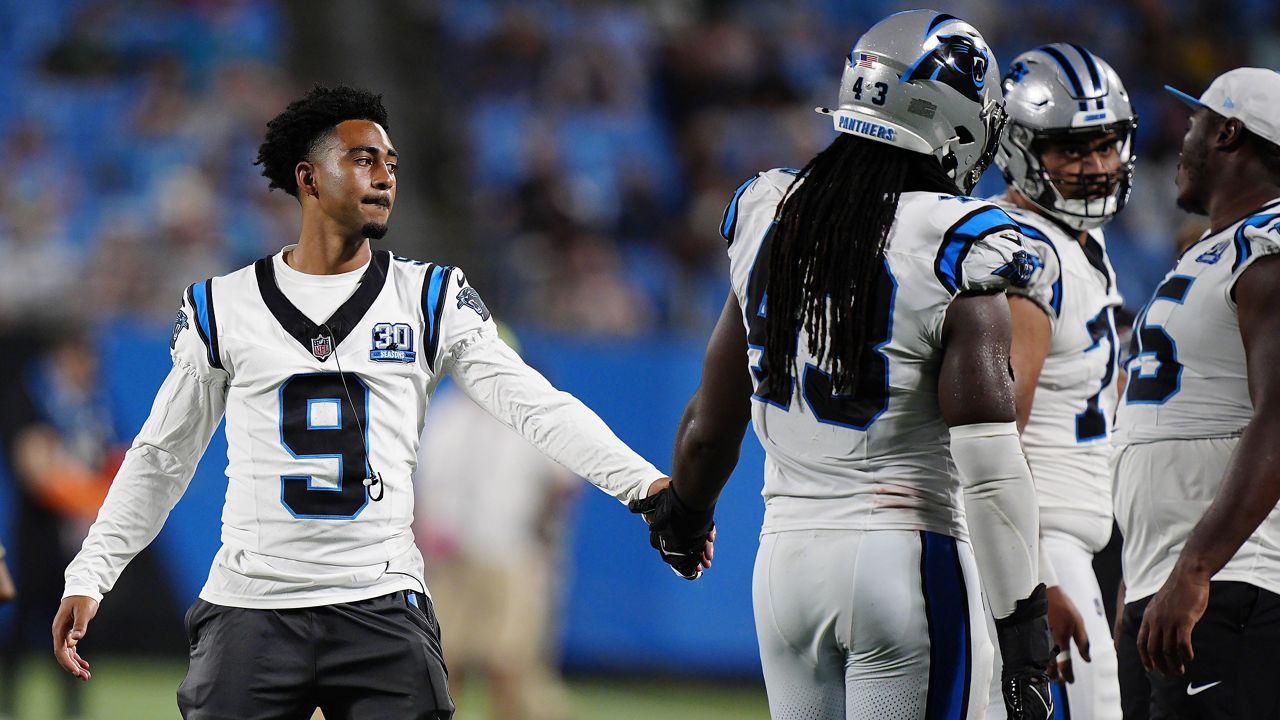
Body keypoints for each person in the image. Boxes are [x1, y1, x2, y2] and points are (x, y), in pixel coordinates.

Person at [52, 85, 706, 720]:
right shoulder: (223, 307)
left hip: (379, 603)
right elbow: (161, 457)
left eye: (390, 163)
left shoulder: (429, 299)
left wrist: (646, 487)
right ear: (308, 179)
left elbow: (537, 407)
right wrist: (92, 570)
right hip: (251, 606)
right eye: (363, 159)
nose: (384, 175)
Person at [632, 10, 1055, 719]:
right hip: (904, 557)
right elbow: (990, 467)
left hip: (785, 565)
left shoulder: (771, 210)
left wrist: (685, 512)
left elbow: (711, 424)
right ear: (954, 119)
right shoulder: (959, 241)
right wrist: (1026, 636)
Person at [1112, 67, 1280, 719]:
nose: (1184, 138)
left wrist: (1197, 568)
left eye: (1196, 122)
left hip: (1231, 585)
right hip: (1168, 585)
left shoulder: (1266, 249)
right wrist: (1155, 565)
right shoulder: (1211, 250)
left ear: (1229, 133)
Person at [987, 43, 1135, 719]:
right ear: (1020, 147)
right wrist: (1029, 581)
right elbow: (994, 434)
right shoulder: (1027, 249)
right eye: (1072, 150)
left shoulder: (1079, 243)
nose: (1096, 166)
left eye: (1106, 146)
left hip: (1076, 537)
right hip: (1039, 540)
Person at [415, 331, 578, 720]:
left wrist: (540, 532)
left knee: (510, 669)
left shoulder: (527, 406)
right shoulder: (446, 413)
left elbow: (563, 482)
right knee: (441, 665)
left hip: (510, 553)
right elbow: (422, 480)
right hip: (452, 556)